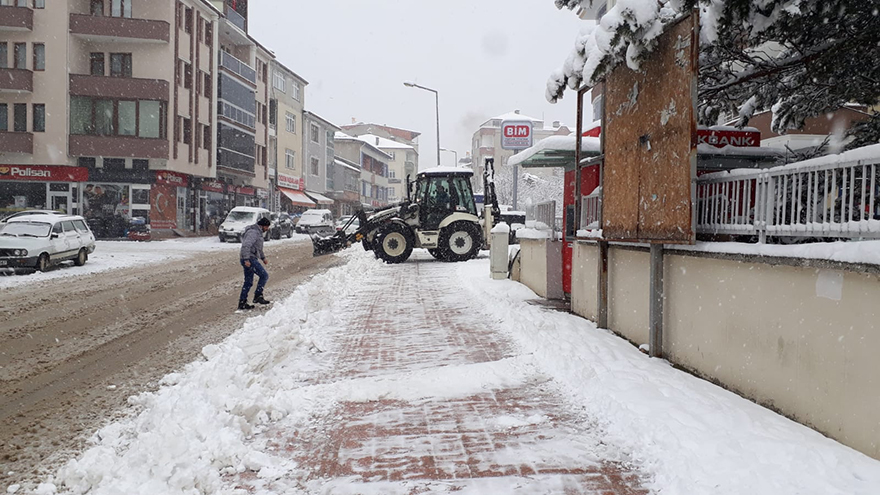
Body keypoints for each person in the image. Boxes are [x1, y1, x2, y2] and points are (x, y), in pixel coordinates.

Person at [238, 217, 271, 310]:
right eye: (266, 227)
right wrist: (246, 259)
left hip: (250, 258)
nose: (267, 229)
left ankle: (242, 302)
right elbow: (246, 246)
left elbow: (258, 248)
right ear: (262, 226)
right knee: (264, 275)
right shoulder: (253, 232)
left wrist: (263, 257)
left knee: (248, 281)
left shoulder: (258, 233)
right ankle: (258, 296)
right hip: (250, 259)